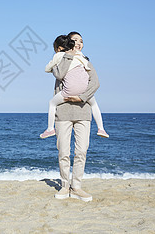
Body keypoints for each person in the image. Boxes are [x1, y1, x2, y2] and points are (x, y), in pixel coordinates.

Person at [50, 31, 100, 202]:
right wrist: (69, 56)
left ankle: (76, 187)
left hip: (83, 111)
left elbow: (95, 83)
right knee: (63, 151)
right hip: (63, 112)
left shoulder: (86, 61)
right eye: (74, 41)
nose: (78, 44)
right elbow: (59, 74)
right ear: (68, 44)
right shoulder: (61, 58)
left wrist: (82, 97)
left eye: (81, 41)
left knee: (81, 151)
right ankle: (65, 186)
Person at [40, 35, 109, 139]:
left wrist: (53, 66)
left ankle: (50, 129)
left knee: (52, 103)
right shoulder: (81, 56)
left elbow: (49, 70)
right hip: (84, 89)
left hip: (69, 90)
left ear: (58, 48)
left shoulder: (60, 56)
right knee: (94, 105)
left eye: (81, 41)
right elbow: (88, 70)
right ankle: (101, 128)